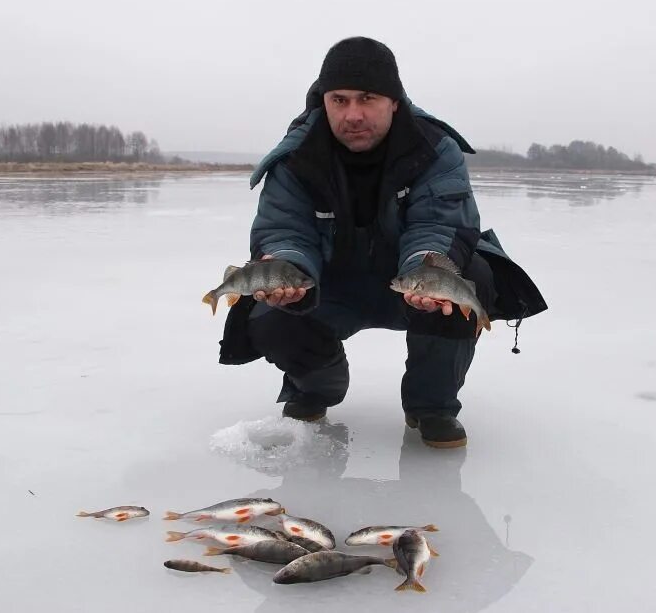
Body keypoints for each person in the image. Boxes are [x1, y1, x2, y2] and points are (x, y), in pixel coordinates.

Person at [218, 37, 546, 448]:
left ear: (394, 100)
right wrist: (285, 265)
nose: (352, 114)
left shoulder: (434, 149)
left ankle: (432, 407)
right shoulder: (296, 157)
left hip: (406, 284)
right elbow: (284, 229)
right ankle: (316, 388)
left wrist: (429, 264)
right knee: (263, 308)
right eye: (339, 100)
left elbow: (440, 223)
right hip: (329, 289)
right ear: (324, 102)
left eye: (367, 98)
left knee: (468, 281)